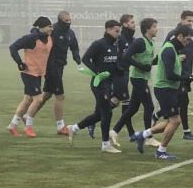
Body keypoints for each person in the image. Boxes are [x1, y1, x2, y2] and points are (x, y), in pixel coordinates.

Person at [131, 26, 193, 160]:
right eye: (187, 39)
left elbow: (177, 71)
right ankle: (161, 151)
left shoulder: (174, 50)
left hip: (170, 89)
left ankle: (142, 135)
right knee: (176, 121)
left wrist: (192, 77)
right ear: (180, 36)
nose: (188, 43)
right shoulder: (169, 50)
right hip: (165, 89)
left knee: (170, 121)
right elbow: (170, 75)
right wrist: (190, 78)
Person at [66, 20, 125, 153]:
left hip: (109, 84)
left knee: (99, 114)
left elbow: (114, 64)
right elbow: (86, 59)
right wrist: (97, 72)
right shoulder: (99, 44)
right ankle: (105, 144)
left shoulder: (115, 45)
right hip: (99, 84)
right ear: (108, 29)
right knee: (107, 113)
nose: (118, 33)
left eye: (119, 30)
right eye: (116, 30)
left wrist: (119, 70)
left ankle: (74, 128)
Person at [113, 17, 161, 148]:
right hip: (138, 78)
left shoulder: (150, 43)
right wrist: (140, 66)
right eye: (154, 27)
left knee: (133, 108)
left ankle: (114, 131)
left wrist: (161, 59)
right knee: (149, 107)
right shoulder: (140, 42)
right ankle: (148, 137)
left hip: (143, 78)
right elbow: (126, 56)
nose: (157, 29)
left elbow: (149, 62)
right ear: (147, 29)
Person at [6, 16, 54, 137]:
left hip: (38, 74)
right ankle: (28, 126)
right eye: (49, 26)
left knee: (27, 99)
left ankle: (12, 125)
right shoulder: (31, 38)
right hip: (29, 73)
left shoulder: (48, 38)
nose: (51, 28)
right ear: (42, 27)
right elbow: (13, 47)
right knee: (38, 99)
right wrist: (20, 62)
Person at [40, 11, 80, 134]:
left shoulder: (70, 33)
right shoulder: (53, 31)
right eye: (66, 21)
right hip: (51, 67)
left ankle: (28, 115)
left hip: (60, 66)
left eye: (69, 20)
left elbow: (74, 46)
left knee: (47, 94)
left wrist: (76, 56)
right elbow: (40, 41)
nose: (68, 23)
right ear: (59, 20)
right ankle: (60, 126)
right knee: (60, 96)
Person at [165, 10, 193, 140]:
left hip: (187, 73)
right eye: (188, 21)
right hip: (177, 74)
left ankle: (158, 116)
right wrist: (176, 57)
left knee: (179, 102)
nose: (190, 23)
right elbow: (167, 51)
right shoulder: (172, 34)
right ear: (181, 20)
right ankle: (186, 132)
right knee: (183, 101)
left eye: (192, 21)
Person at [110, 14, 137, 141]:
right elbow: (115, 54)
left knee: (117, 101)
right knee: (125, 101)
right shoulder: (120, 39)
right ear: (125, 24)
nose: (134, 24)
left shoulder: (133, 39)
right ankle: (130, 133)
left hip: (126, 72)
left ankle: (93, 120)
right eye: (131, 22)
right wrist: (117, 67)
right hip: (119, 73)